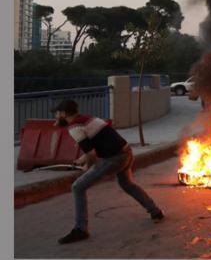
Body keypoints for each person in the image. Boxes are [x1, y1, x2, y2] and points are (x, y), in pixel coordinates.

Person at [52, 99, 164, 244]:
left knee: (78, 187)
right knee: (127, 184)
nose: (55, 116)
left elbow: (91, 155)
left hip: (114, 158)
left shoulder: (75, 127)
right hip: (126, 152)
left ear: (63, 113)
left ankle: (80, 229)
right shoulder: (88, 119)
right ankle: (155, 212)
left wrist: (88, 167)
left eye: (56, 113)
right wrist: (82, 159)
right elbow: (94, 147)